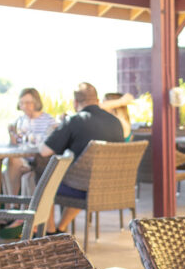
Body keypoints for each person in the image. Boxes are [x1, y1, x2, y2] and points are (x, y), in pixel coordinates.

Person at [39, 81, 124, 234]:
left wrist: (51, 132)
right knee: (81, 177)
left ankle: (49, 232)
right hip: (114, 187)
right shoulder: (116, 122)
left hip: (85, 188)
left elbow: (45, 151)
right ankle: (61, 228)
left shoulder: (75, 121)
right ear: (98, 101)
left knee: (45, 179)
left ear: (75, 102)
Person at [7, 88, 57, 196]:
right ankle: (11, 204)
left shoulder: (49, 121)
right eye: (21, 103)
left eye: (28, 103)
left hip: (40, 161)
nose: (24, 106)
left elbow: (52, 144)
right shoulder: (20, 121)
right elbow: (16, 145)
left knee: (12, 162)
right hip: (23, 159)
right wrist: (12, 133)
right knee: (10, 160)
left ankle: (12, 204)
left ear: (36, 102)